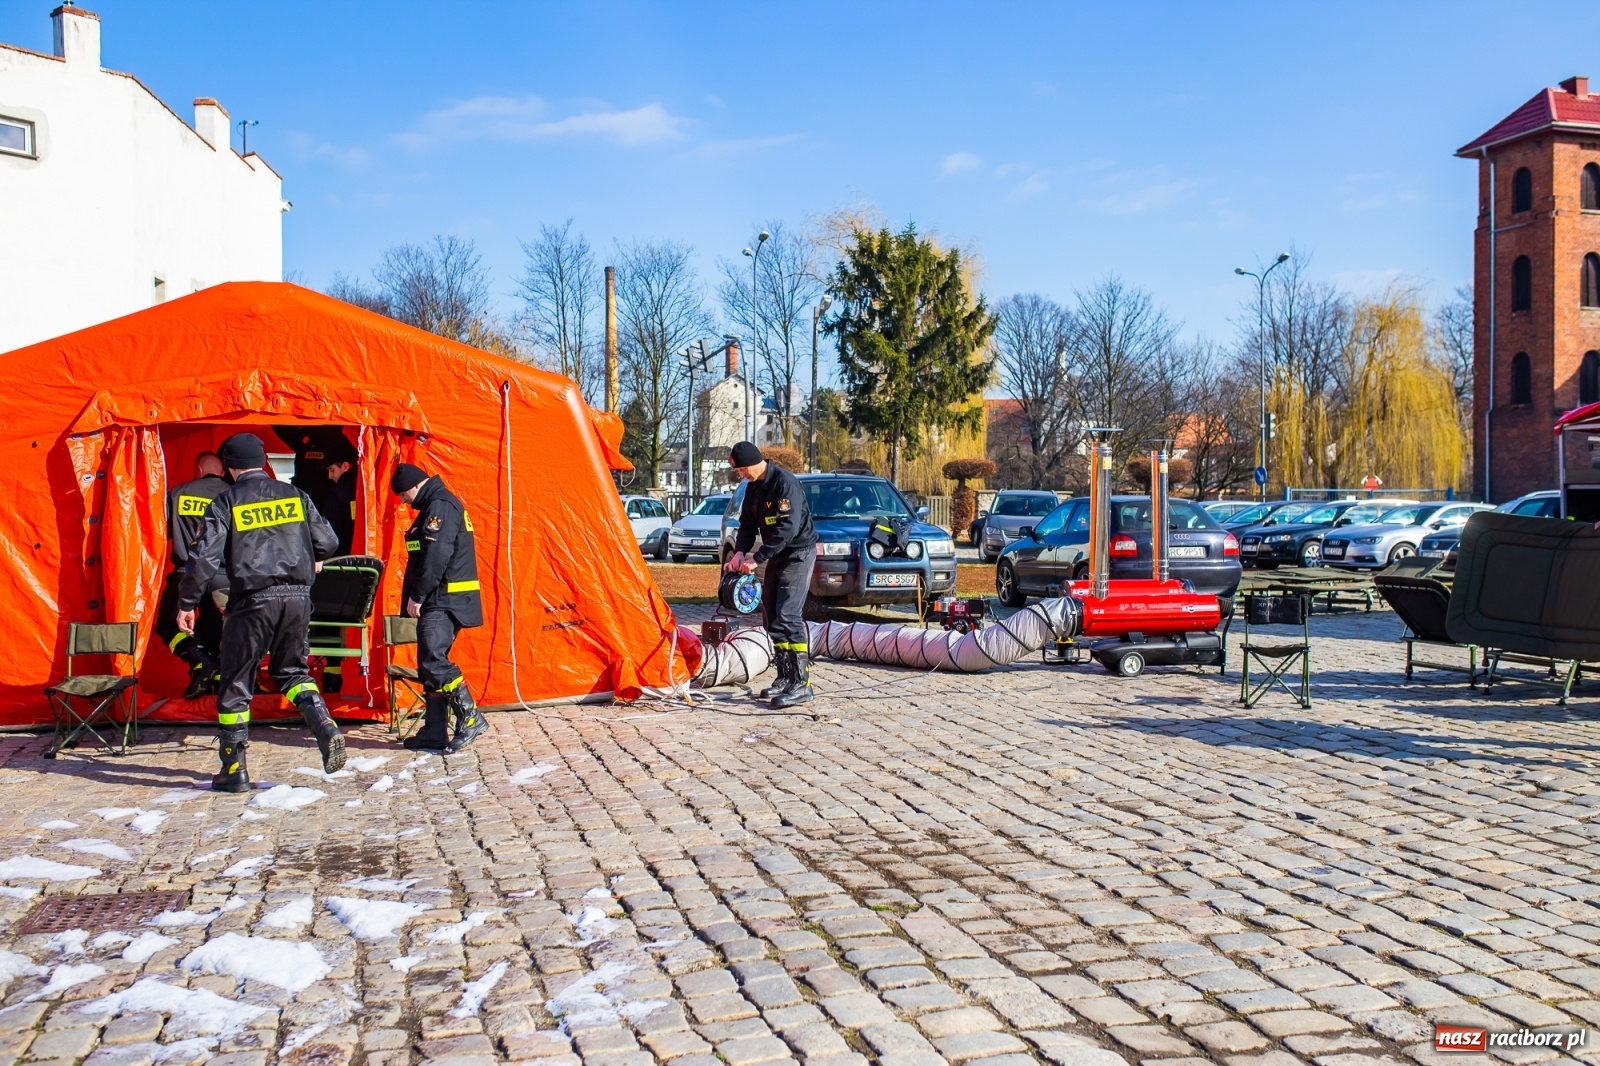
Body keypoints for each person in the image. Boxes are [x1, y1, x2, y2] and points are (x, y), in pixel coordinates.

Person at [178, 433, 344, 792]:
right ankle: (324, 725)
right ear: (262, 462)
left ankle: (233, 769)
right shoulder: (296, 495)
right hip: (297, 598)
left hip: (252, 600)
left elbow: (203, 558)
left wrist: (187, 603)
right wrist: (309, 557)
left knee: (236, 681)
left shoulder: (226, 501)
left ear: (230, 468)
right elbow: (328, 542)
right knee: (292, 672)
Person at [392, 463, 487, 753]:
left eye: (403, 494)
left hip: (443, 599)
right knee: (428, 665)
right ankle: (434, 731)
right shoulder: (435, 505)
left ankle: (470, 717)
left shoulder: (440, 506)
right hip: (440, 598)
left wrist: (418, 595)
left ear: (416, 485)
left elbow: (436, 555)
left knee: (434, 661)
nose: (403, 500)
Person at [723, 441, 818, 707]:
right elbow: (747, 524)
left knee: (788, 614)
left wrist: (757, 559)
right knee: (772, 616)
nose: (741, 475)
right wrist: (740, 552)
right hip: (777, 554)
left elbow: (787, 529)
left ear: (754, 463)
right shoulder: (753, 488)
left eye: (742, 470)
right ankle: (785, 677)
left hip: (797, 553)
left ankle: (802, 684)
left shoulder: (784, 484)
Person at [154, 452, 229, 699]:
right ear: (222, 472)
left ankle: (198, 659)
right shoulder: (232, 494)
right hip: (223, 574)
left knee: (168, 624)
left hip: (186, 572)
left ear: (198, 470)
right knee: (215, 627)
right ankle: (214, 683)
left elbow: (160, 531)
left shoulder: (178, 492)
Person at [312, 438, 361, 693]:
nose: (330, 477)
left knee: (326, 616)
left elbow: (327, 538)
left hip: (337, 569)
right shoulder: (368, 490)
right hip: (364, 571)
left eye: (332, 470)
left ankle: (331, 671)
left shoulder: (335, 496)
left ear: (345, 466)